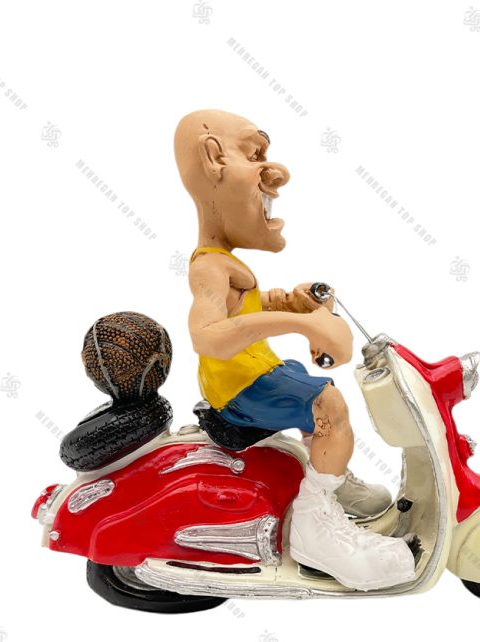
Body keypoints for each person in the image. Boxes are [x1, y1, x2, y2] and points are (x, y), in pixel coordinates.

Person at [174, 109, 414, 590]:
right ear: (214, 158)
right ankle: (314, 523)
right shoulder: (208, 268)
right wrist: (302, 324)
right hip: (239, 388)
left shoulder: (226, 262)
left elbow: (249, 305)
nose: (276, 172)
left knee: (308, 388)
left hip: (255, 372)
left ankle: (327, 478)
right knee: (328, 403)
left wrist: (293, 301)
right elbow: (208, 335)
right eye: (254, 154)